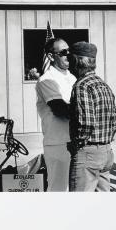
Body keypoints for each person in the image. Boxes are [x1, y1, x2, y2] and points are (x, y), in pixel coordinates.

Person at [67, 42, 116, 192]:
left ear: (77, 61)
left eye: (70, 60)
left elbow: (86, 124)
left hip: (88, 153)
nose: (69, 64)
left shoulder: (81, 86)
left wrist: (77, 144)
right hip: (106, 152)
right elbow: (114, 122)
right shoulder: (103, 85)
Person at [35, 38, 76, 192]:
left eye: (69, 51)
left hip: (76, 142)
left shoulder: (73, 78)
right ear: (51, 57)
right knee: (59, 190)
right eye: (63, 52)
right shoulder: (46, 80)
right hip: (59, 144)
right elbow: (60, 110)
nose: (68, 55)